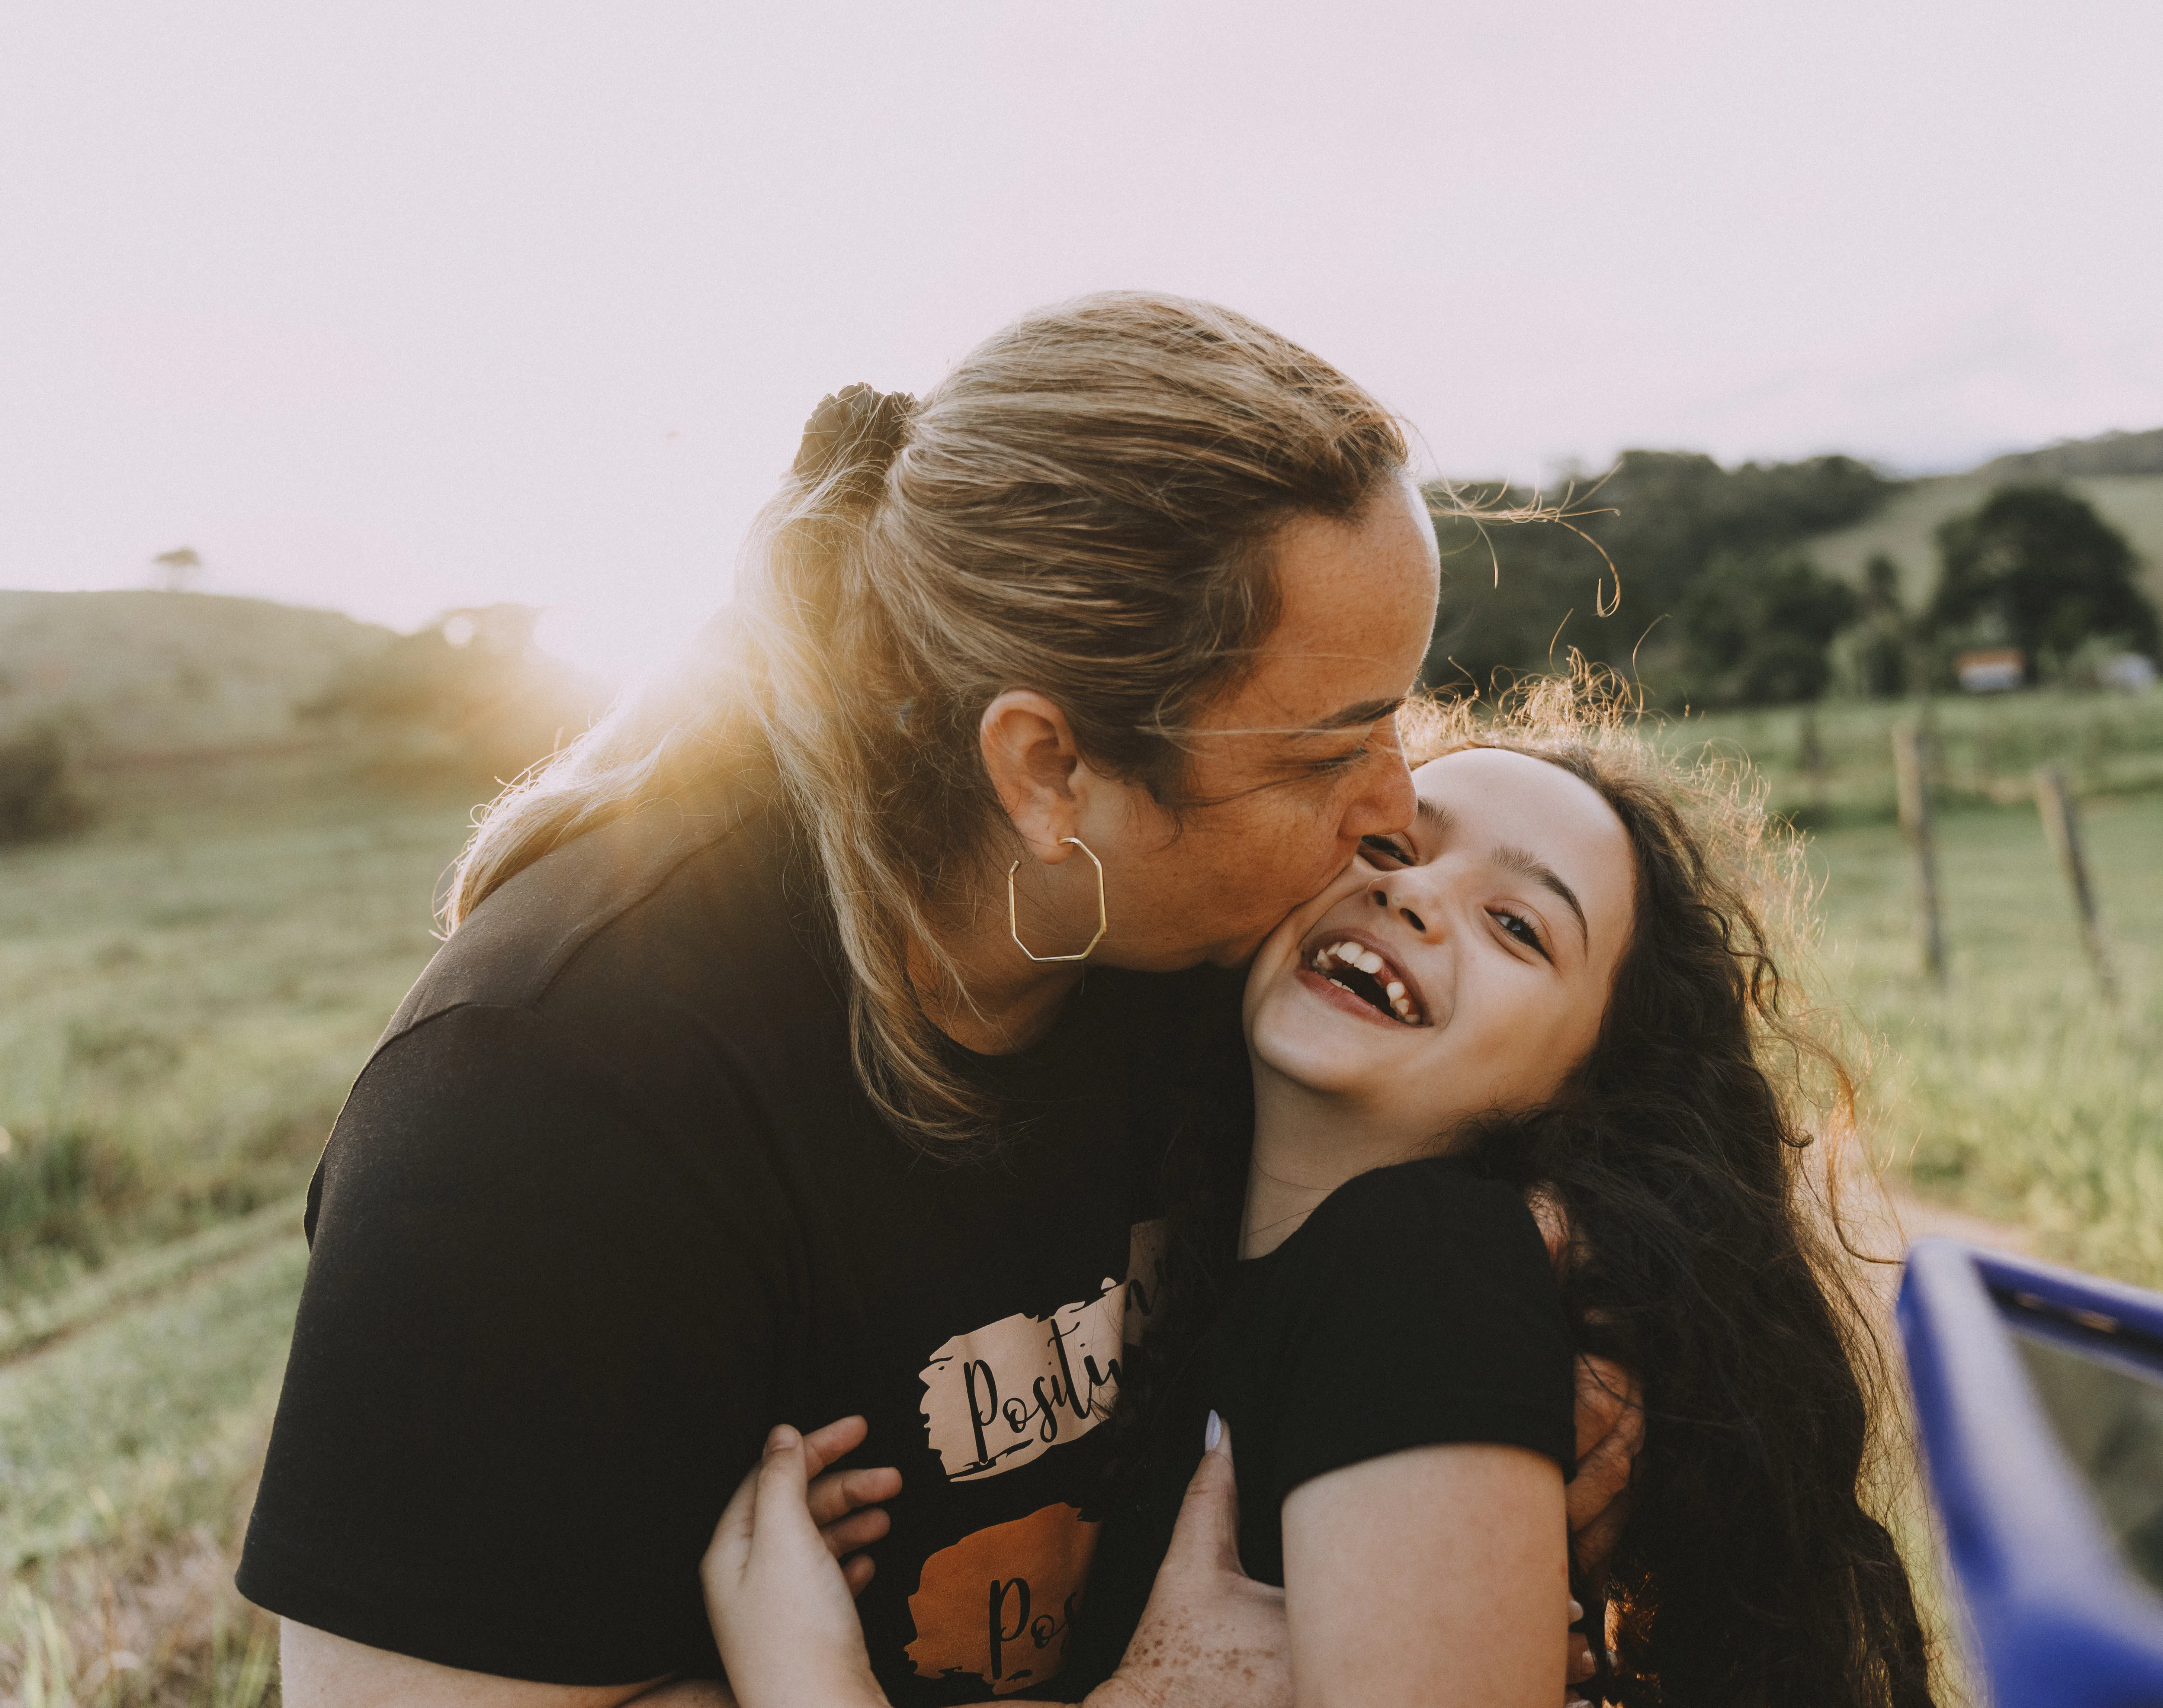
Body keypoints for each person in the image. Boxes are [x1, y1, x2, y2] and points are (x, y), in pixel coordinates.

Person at [237, 293, 1629, 1707]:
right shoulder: (547, 1103)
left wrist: (1568, 1326)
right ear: (1046, 772)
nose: (1397, 813)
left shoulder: (1220, 959)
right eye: (1332, 750)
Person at [696, 695, 1940, 1708]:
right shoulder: (1226, 1273)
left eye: (1517, 926)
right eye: (1392, 847)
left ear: (1588, 1095)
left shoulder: (1421, 1268)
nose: (1413, 894)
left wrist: (807, 1680)